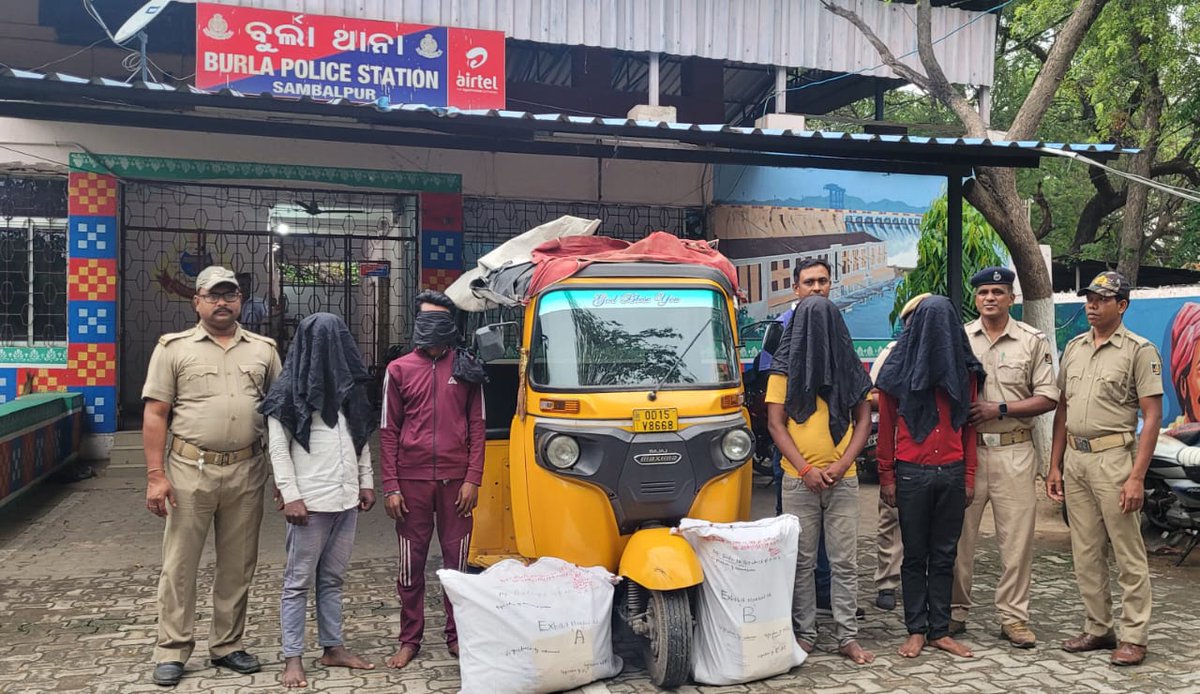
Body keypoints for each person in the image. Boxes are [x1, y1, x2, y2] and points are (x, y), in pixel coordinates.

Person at [142, 266, 282, 687]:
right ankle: (172, 649)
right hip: (189, 471)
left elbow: (280, 414)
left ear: (240, 300)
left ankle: (227, 645)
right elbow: (155, 413)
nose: (223, 303)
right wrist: (155, 475)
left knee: (238, 564)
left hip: (247, 469)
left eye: (230, 295)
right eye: (214, 295)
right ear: (197, 301)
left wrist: (285, 477)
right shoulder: (173, 348)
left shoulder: (264, 350)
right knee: (180, 565)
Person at [1047, 271, 1161, 667]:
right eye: (1089, 298)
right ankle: (1099, 628)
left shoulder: (1138, 350)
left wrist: (1136, 477)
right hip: (1076, 460)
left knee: (1127, 550)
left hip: (1115, 459)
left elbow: (1152, 415)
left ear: (1122, 305)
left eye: (1101, 299)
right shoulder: (1075, 347)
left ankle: (1134, 636)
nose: (1091, 305)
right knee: (1086, 549)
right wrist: (1055, 465)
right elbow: (1063, 408)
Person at [260, 313, 378, 688]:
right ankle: (293, 658)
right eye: (322, 340)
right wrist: (291, 495)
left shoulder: (350, 390)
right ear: (307, 345)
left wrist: (366, 481)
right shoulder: (286, 393)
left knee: (333, 578)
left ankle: (333, 647)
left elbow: (359, 439)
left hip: (346, 499)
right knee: (297, 582)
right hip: (309, 504)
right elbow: (278, 451)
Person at [949, 268, 1058, 648]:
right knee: (960, 536)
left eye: (998, 291)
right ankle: (954, 611)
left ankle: (1013, 618)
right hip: (967, 454)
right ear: (975, 298)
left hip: (1014, 449)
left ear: (1012, 298)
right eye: (983, 292)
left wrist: (1000, 408)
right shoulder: (959, 338)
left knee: (1016, 541)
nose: (990, 298)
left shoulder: (1031, 341)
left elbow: (1048, 397)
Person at [380, 290, 486, 669]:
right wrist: (390, 485)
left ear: (452, 325)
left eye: (440, 319)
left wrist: (473, 477)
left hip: (458, 483)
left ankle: (458, 637)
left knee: (457, 566)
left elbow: (477, 425)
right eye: (425, 318)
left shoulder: (467, 368)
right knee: (411, 564)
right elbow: (388, 430)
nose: (432, 326)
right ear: (416, 322)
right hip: (412, 483)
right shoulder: (399, 370)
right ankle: (410, 639)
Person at [766, 295, 875, 663]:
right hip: (799, 480)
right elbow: (775, 424)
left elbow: (864, 420)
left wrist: (843, 464)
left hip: (843, 480)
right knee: (802, 562)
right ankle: (806, 633)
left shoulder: (850, 368)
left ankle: (848, 637)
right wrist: (805, 469)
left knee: (845, 561)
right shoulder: (784, 369)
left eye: (825, 321)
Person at [876, 295, 982, 659]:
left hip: (952, 472)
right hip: (911, 473)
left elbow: (969, 428)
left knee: (944, 554)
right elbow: (886, 425)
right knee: (914, 555)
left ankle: (940, 630)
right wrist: (886, 475)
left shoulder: (964, 371)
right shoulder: (897, 370)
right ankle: (915, 630)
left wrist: (969, 474)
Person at [868, 292, 931, 612]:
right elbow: (873, 395)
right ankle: (888, 581)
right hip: (898, 442)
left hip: (933, 451)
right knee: (891, 516)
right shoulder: (894, 353)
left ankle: (920, 579)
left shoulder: (945, 353)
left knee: (930, 520)